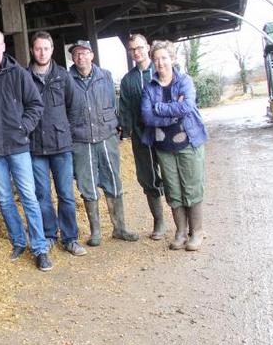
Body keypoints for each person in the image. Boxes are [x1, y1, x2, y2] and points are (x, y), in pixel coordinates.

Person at [0, 29, 53, 271]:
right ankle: (18, 240)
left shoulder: (19, 75)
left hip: (17, 146)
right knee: (4, 199)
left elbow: (36, 104)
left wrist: (23, 127)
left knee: (29, 197)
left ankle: (40, 248)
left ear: (4, 47)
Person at [69, 40, 139, 246]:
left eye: (84, 53)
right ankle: (96, 232)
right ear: (72, 58)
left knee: (113, 179)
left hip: (106, 136)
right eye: (76, 54)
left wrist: (116, 126)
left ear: (92, 55)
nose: (80, 57)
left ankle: (120, 228)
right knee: (87, 183)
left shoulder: (105, 76)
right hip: (81, 139)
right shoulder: (67, 80)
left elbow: (112, 102)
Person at [140, 40, 208, 251]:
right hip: (163, 146)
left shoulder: (184, 81)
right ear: (152, 62)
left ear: (172, 59)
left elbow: (187, 106)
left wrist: (158, 107)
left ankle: (196, 232)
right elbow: (146, 116)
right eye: (156, 59)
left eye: (164, 58)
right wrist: (172, 111)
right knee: (173, 189)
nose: (160, 63)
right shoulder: (150, 87)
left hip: (188, 141)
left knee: (191, 187)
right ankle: (180, 231)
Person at [26, 31, 86, 256]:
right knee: (42, 196)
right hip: (36, 147)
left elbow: (75, 106)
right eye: (38, 48)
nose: (42, 52)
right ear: (32, 50)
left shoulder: (62, 75)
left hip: (61, 146)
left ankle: (70, 238)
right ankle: (50, 234)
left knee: (66, 194)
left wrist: (65, 129)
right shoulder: (24, 77)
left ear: (52, 50)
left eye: (46, 48)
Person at [119, 33, 166, 240]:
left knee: (171, 173)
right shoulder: (128, 80)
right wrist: (125, 132)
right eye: (132, 50)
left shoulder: (161, 70)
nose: (136, 52)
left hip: (166, 133)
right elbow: (126, 109)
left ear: (148, 47)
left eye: (139, 48)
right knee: (147, 176)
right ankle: (159, 221)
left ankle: (182, 221)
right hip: (141, 135)